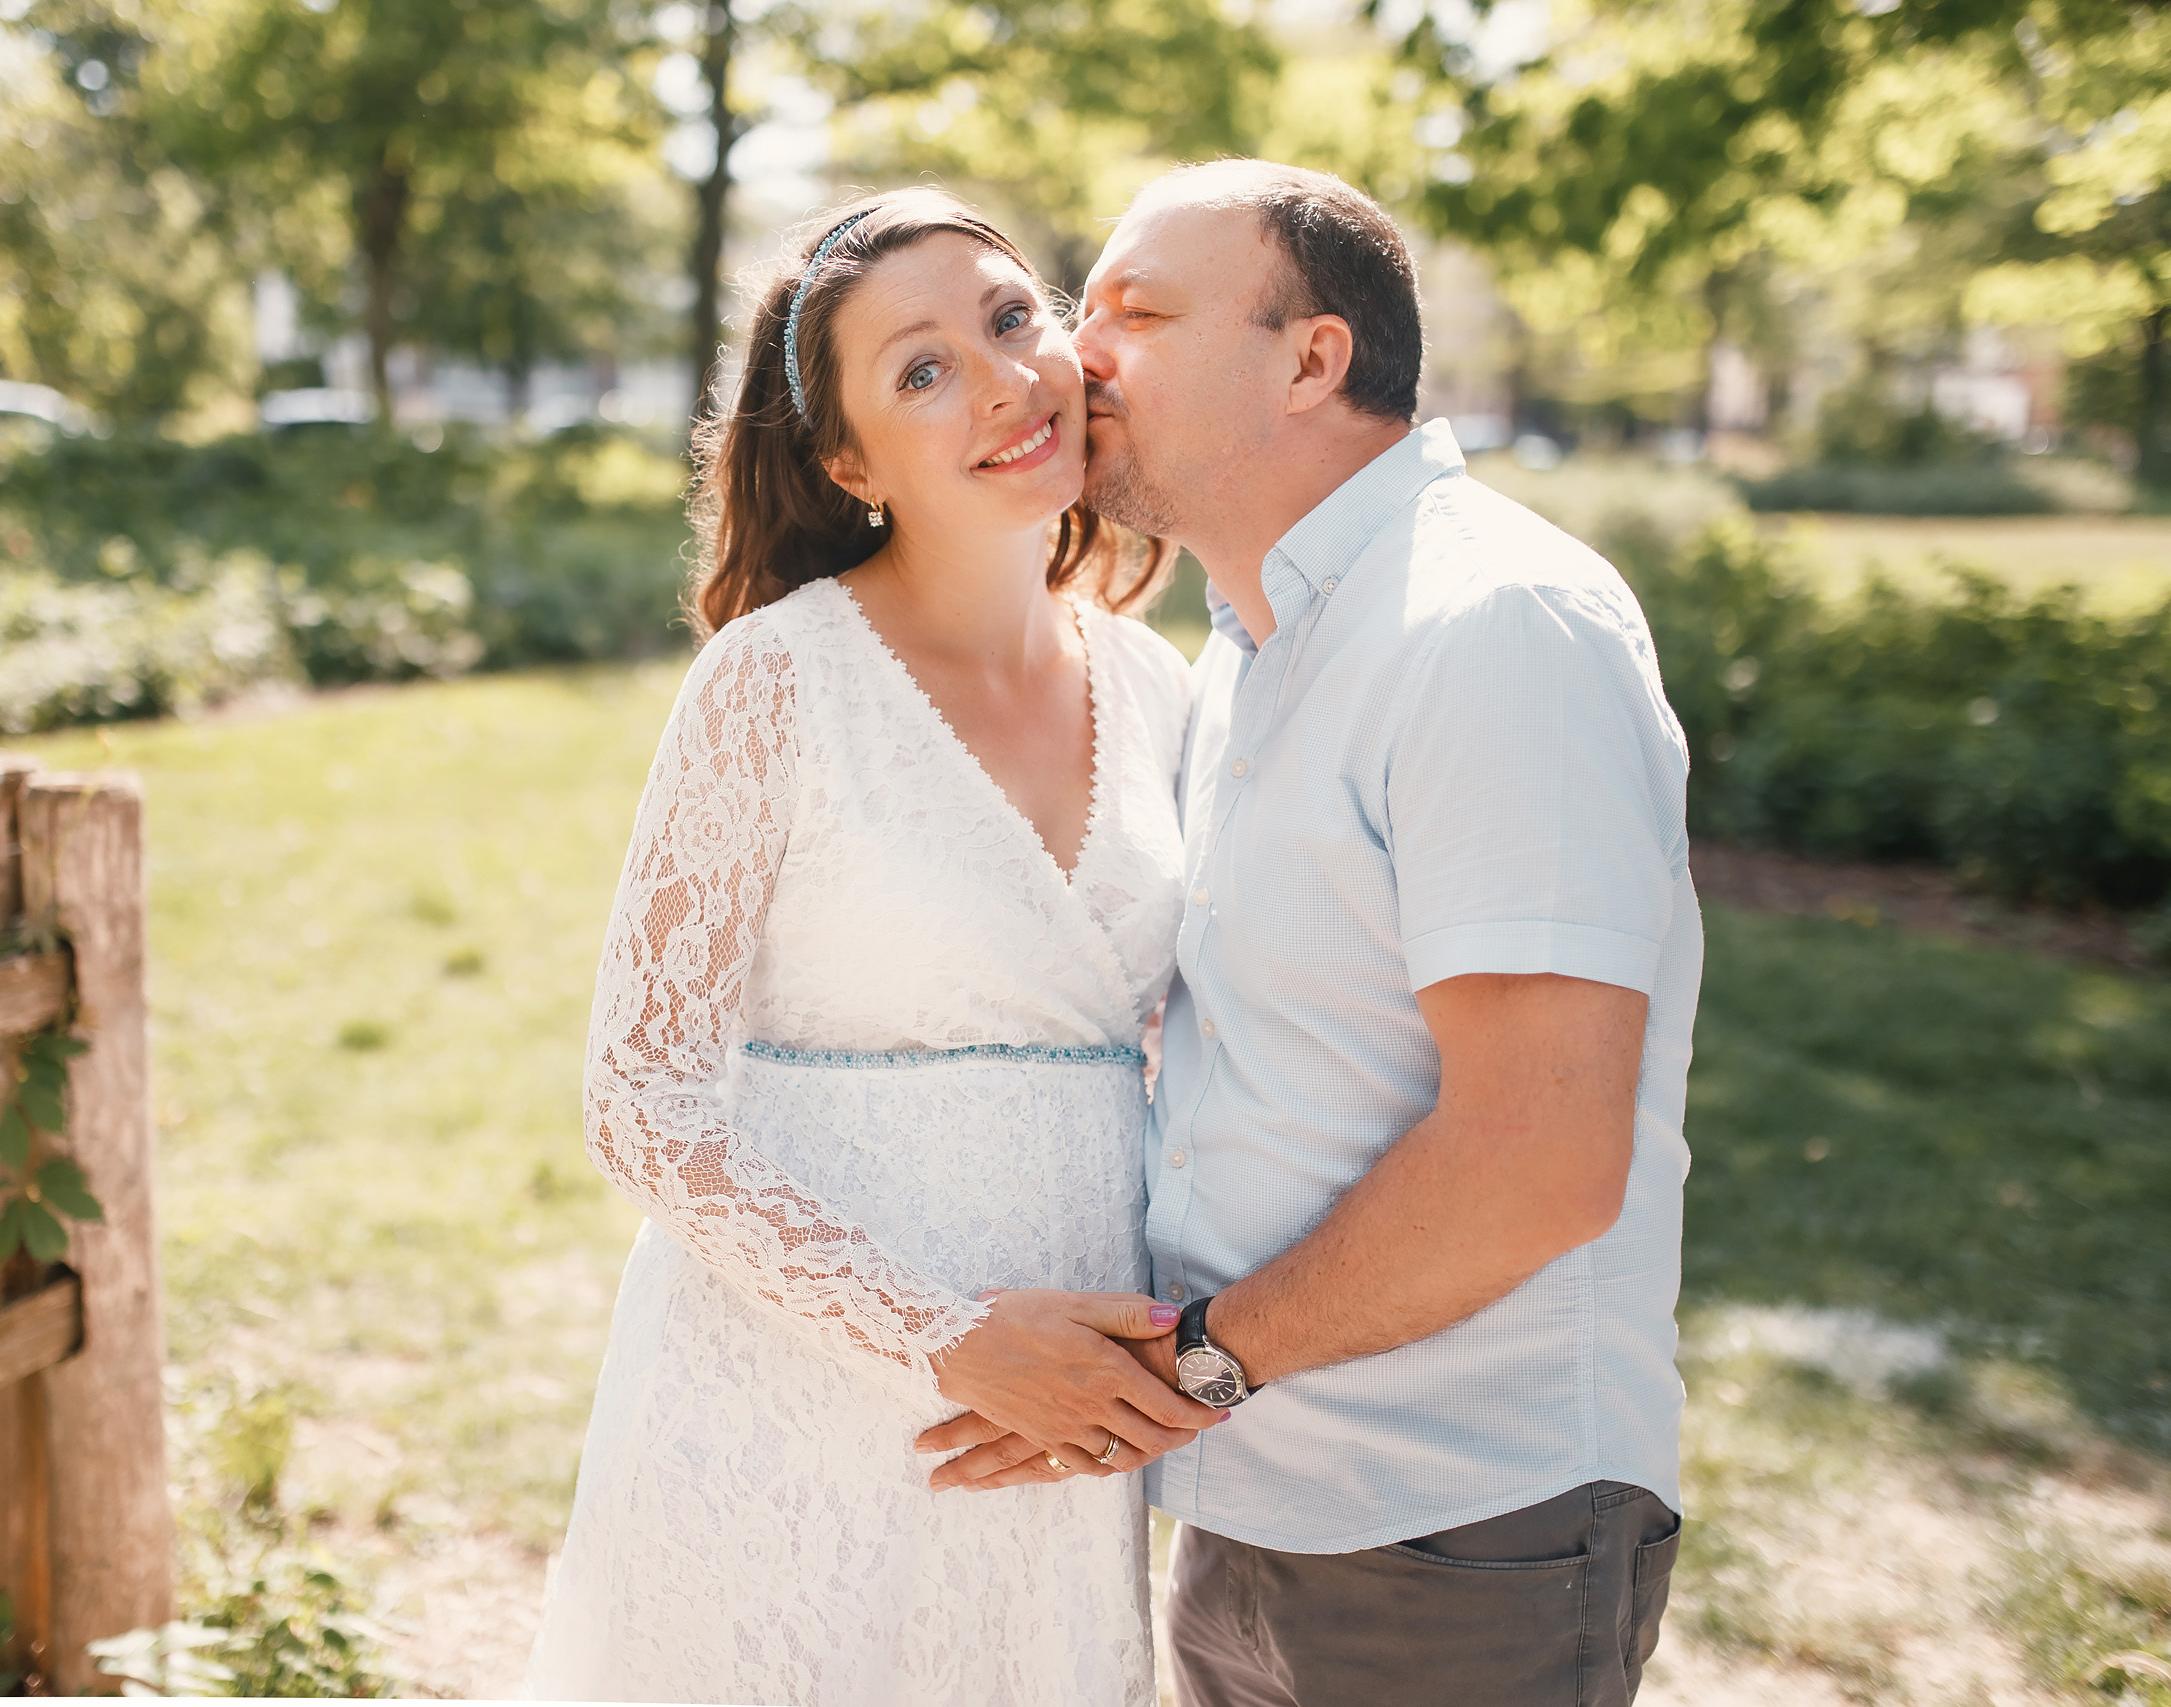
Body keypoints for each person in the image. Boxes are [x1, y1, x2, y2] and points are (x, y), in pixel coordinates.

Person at [921, 160, 1699, 1706]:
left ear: (1311, 358)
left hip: (1460, 1528)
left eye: (1138, 314)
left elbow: (1539, 1156)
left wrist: (1196, 1363)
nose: (1078, 355)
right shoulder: (1252, 650)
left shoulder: (1492, 626)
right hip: (1241, 1500)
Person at [520, 187, 1226, 1706]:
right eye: (922, 371)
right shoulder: (774, 682)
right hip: (793, 1396)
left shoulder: (1163, 691)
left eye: (1012, 317)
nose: (1004, 381)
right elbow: (640, 1101)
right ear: (849, 463)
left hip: (1057, 1423)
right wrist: (944, 1337)